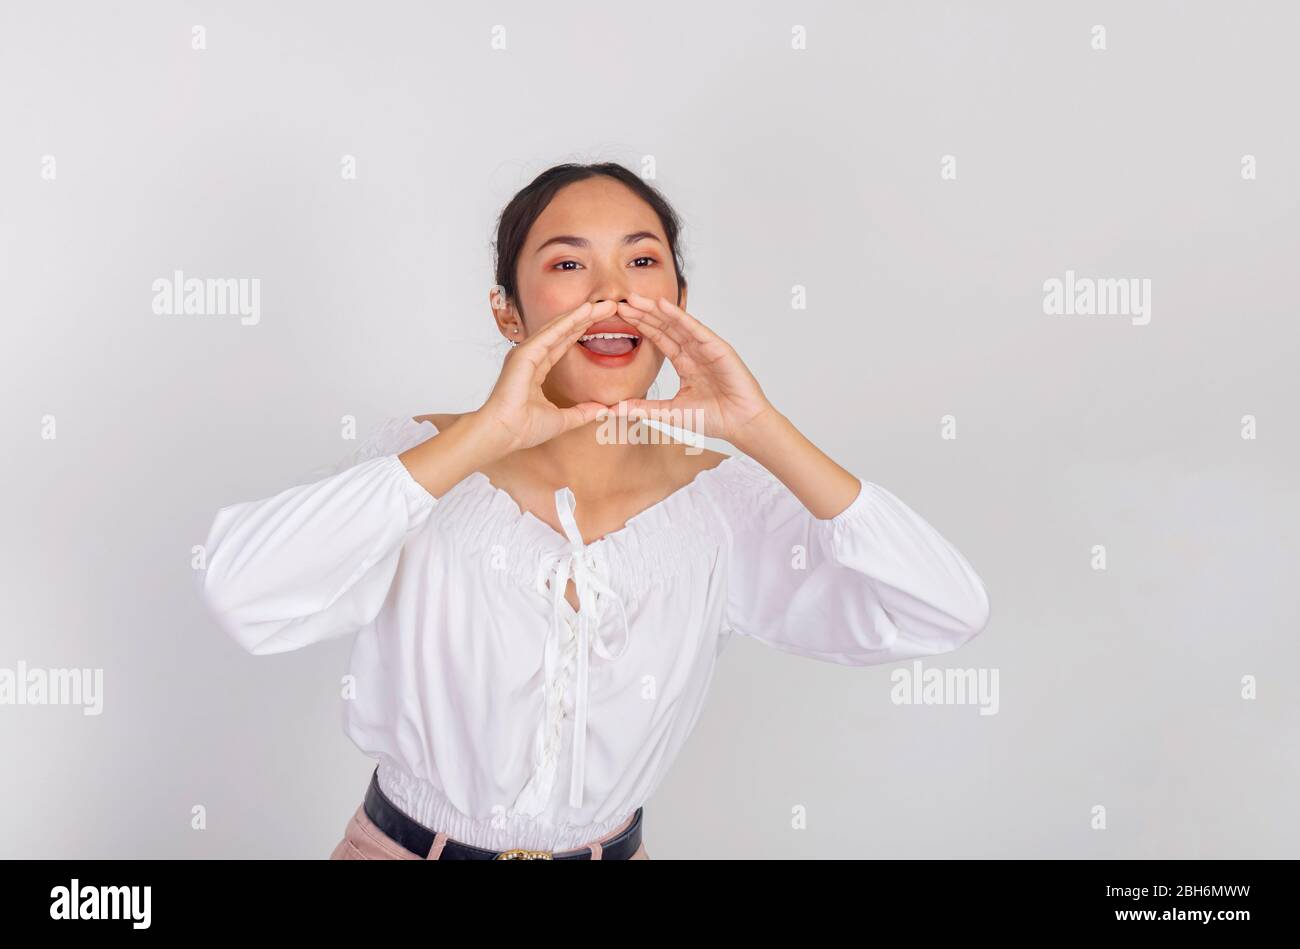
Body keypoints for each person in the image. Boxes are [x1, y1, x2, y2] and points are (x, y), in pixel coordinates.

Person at [196, 162, 992, 860]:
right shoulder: (422, 463)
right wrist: (482, 436)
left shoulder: (719, 504)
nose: (612, 292)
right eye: (569, 263)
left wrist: (760, 428)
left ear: (679, 301)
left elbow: (943, 611)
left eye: (642, 261)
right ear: (509, 312)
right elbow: (241, 592)